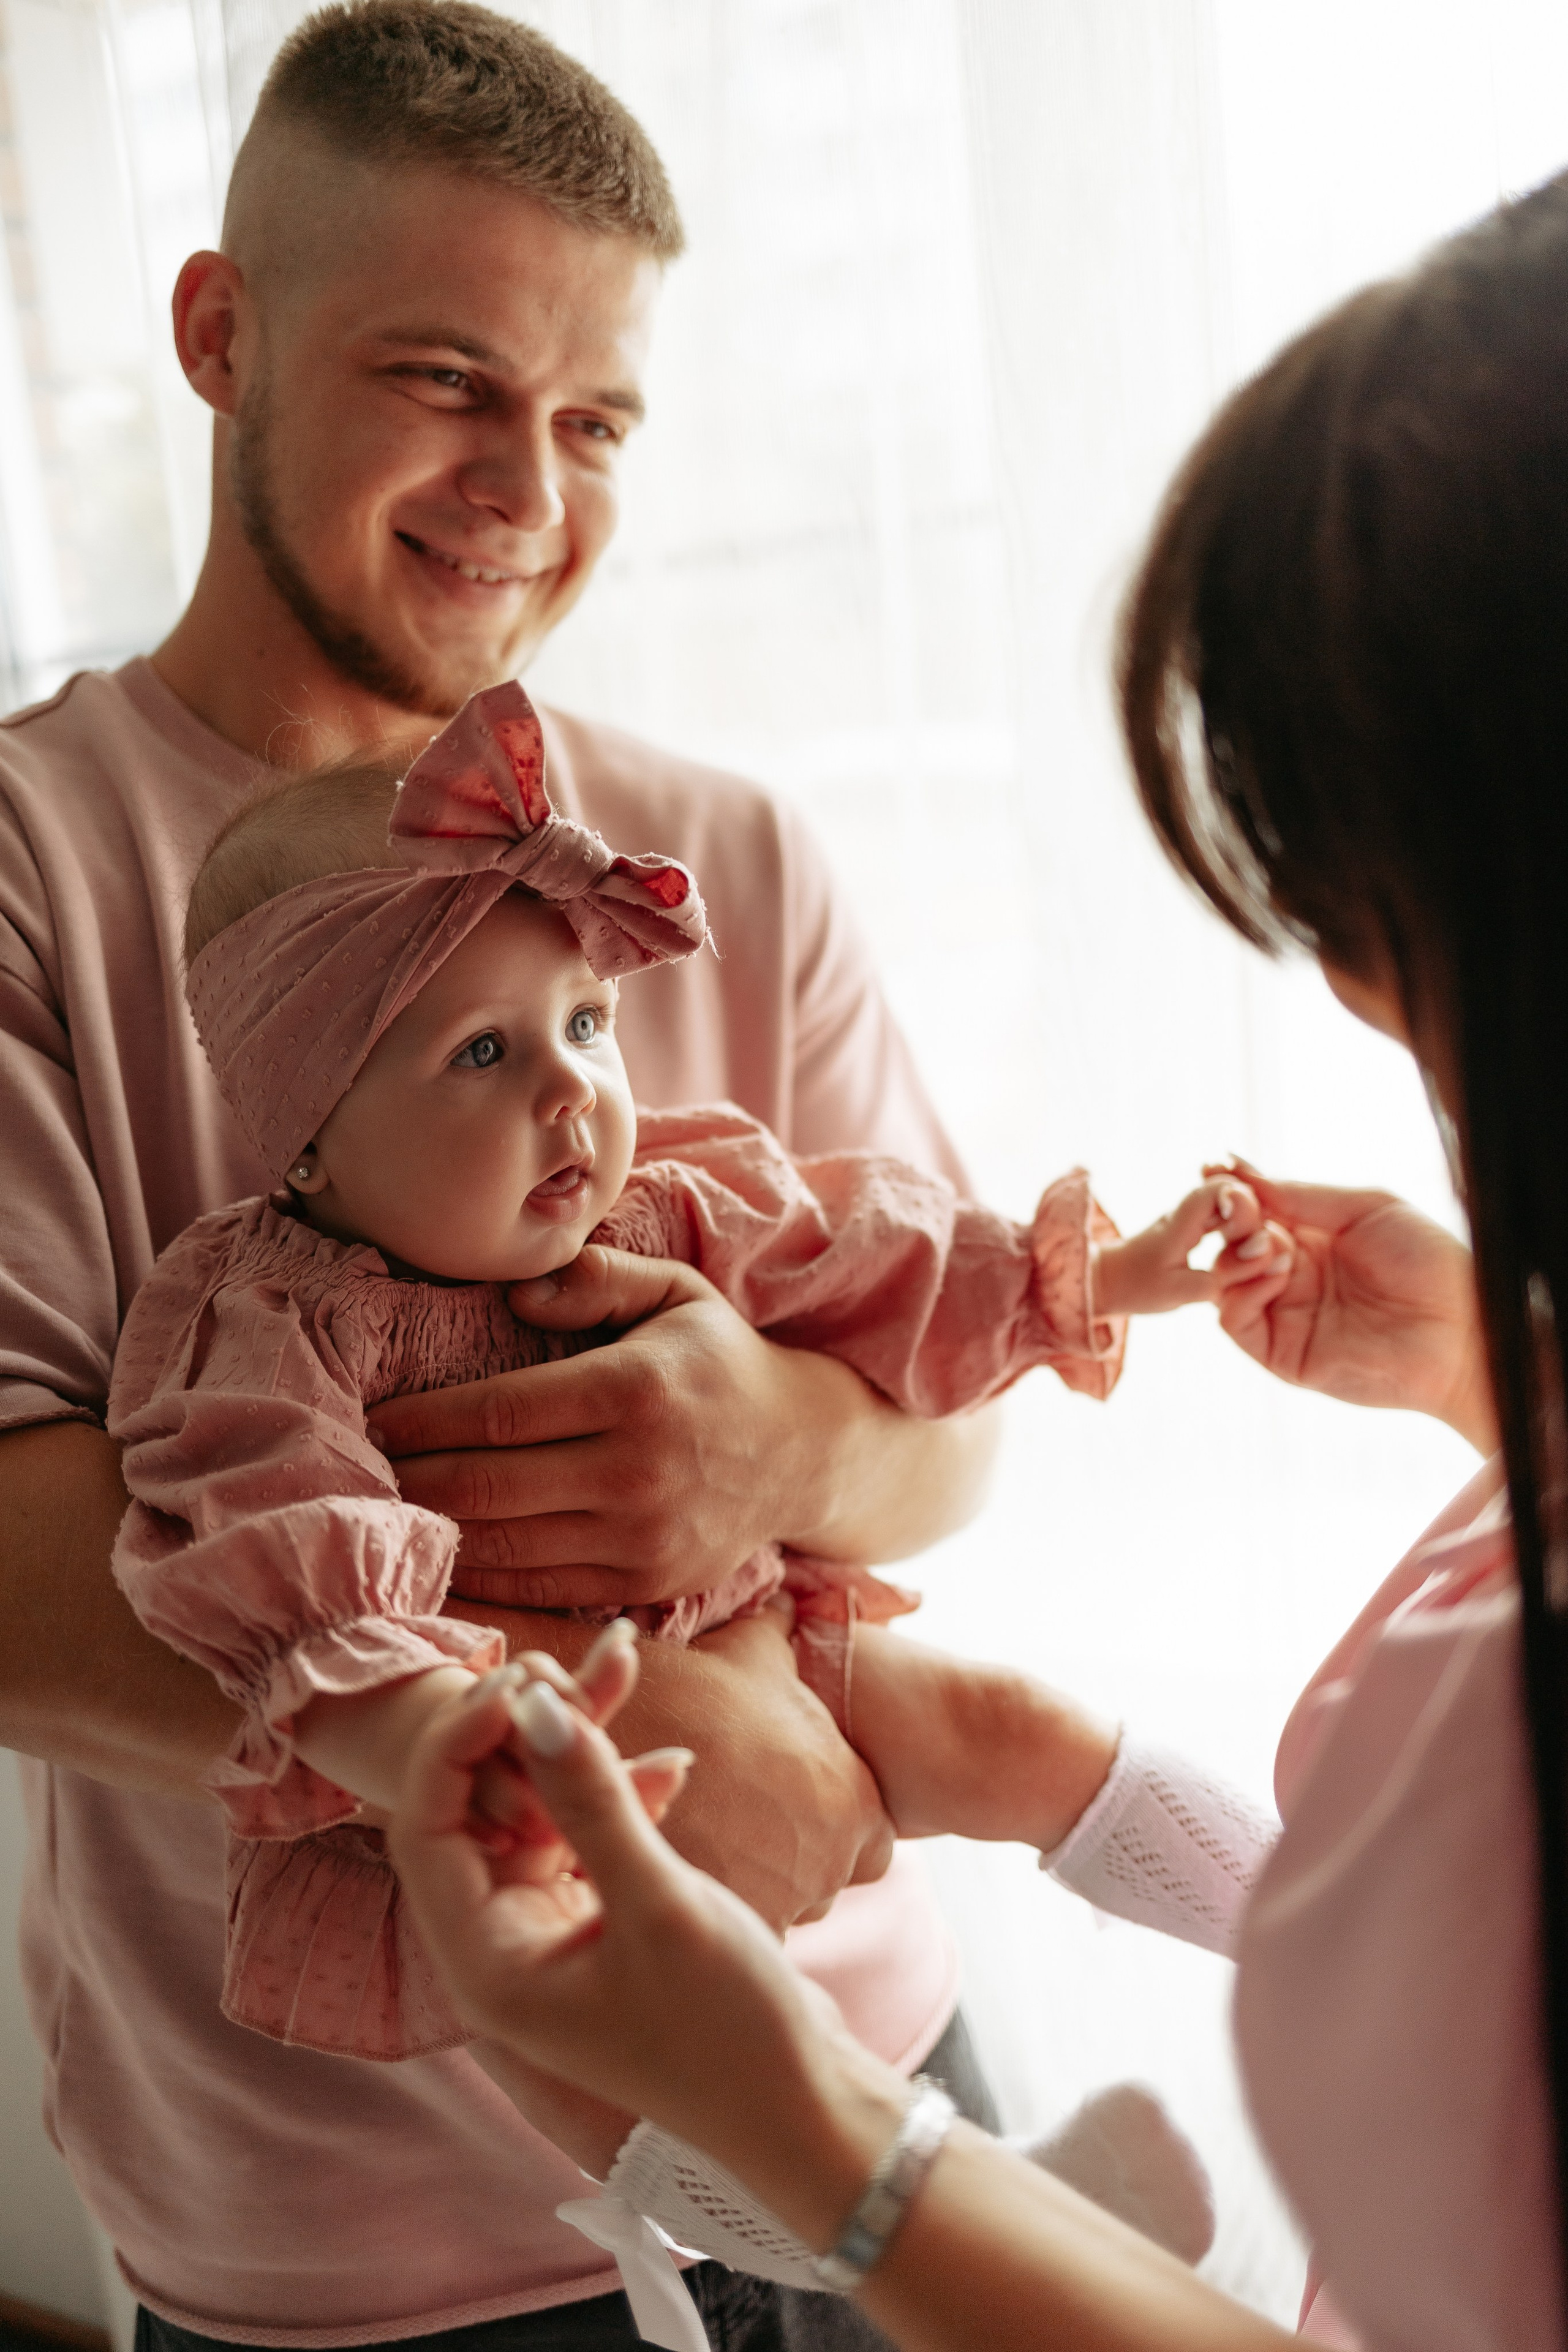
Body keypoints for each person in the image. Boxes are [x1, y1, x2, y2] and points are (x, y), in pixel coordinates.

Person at [382, 165, 1568, 2352]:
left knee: (1010, 1733)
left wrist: (802, 1435)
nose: (1349, 1000)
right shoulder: (250, 1285)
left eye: (1375, 914)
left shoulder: (718, 991)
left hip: (792, 1746)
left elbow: (923, 1317)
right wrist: (1492, 1386)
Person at [0, 7, 1011, 2346]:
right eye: (447, 383)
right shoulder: (35, 870)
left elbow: (955, 1423)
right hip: (374, 2243)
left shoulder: (732, 852)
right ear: (218, 333)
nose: (524, 492)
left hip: (878, 2081)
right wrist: (644, 1716)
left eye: (595, 421)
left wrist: (793, 1439)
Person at [115, 676, 1285, 2067]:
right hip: (527, 1766)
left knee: (1010, 1728)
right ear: (307, 1136)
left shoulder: (672, 1199)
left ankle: (1319, 1930)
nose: (572, 1092)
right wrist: (441, 1736)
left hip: (763, 1642)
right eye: (482, 1052)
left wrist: (1118, 1275)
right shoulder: (276, 1327)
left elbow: (873, 1256)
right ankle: (818, 2211)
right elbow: (287, 1560)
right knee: (592, 2027)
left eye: (586, 1024)